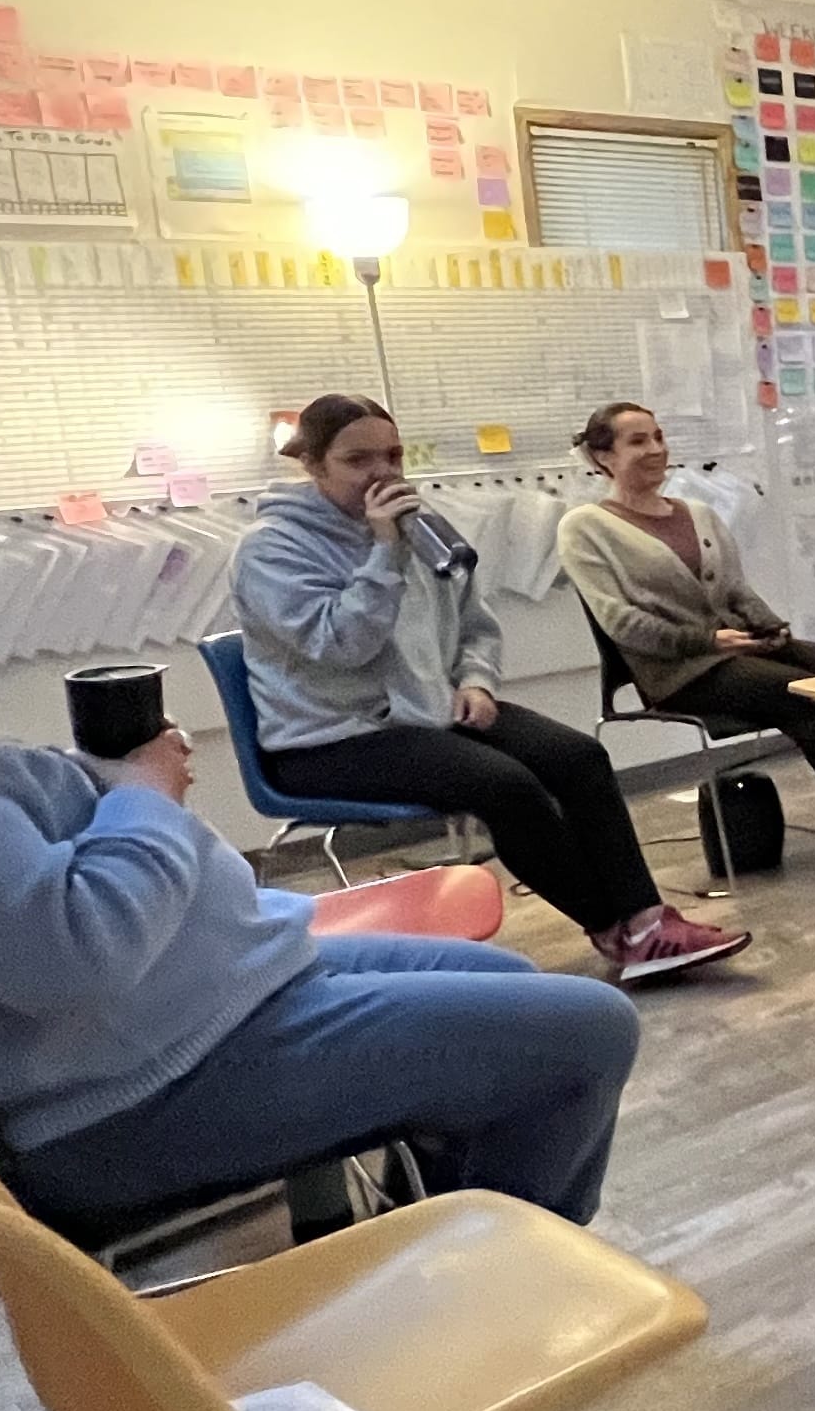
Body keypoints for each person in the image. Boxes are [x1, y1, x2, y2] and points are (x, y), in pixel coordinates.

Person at [0, 474, 639, 1228]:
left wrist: (97, 801)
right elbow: (73, 954)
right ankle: (476, 1300)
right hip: (137, 1085)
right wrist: (142, 796)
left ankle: (432, 1246)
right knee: (581, 1030)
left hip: (196, 1000)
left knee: (510, 994)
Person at [234, 394, 746, 981]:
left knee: (577, 757)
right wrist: (383, 554)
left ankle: (647, 921)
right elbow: (341, 644)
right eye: (358, 460)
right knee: (509, 787)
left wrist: (476, 681)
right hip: (329, 737)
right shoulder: (272, 547)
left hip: (427, 710)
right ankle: (618, 931)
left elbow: (475, 624)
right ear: (314, 465)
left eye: (394, 455)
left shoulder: (418, 529)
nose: (383, 472)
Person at [556, 402, 815, 865]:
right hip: (680, 671)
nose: (656, 449)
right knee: (810, 700)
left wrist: (771, 628)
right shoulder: (585, 527)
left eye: (658, 437)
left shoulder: (697, 512)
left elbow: (736, 592)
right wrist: (707, 641)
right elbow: (620, 622)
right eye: (638, 441)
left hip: (739, 652)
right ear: (602, 458)